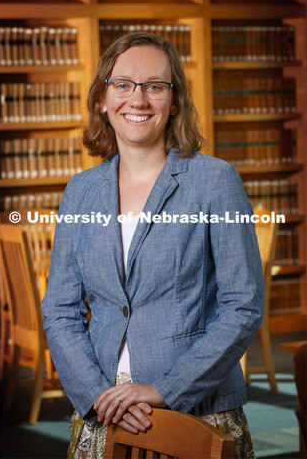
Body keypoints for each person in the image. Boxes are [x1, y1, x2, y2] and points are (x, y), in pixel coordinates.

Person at [41, 32, 264, 459]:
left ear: (174, 100)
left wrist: (164, 390)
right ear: (102, 100)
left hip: (197, 413)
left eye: (154, 86)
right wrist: (98, 394)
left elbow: (244, 305)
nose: (137, 99)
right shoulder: (80, 192)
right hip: (103, 413)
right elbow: (60, 309)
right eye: (122, 84)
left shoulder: (215, 181)